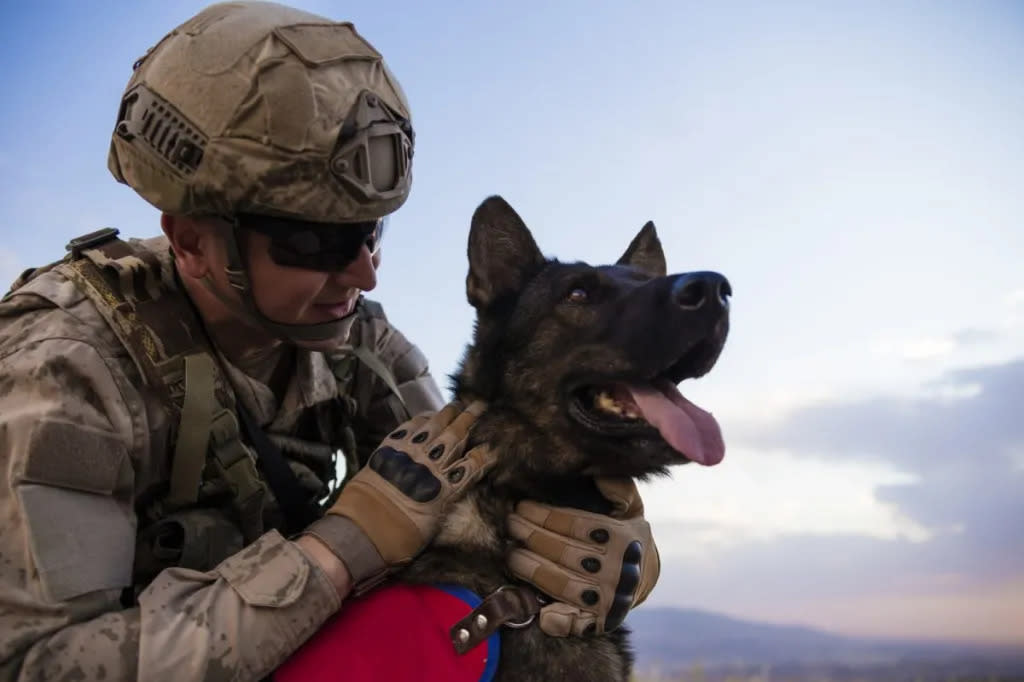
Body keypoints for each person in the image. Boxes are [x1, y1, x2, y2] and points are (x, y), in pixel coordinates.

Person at [0, 3, 660, 680]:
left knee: (442, 633)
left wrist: (618, 546)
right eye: (319, 241)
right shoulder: (66, 368)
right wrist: (338, 551)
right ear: (193, 241)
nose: (365, 271)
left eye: (372, 232)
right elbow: (36, 665)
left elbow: (494, 495)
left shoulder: (359, 344)